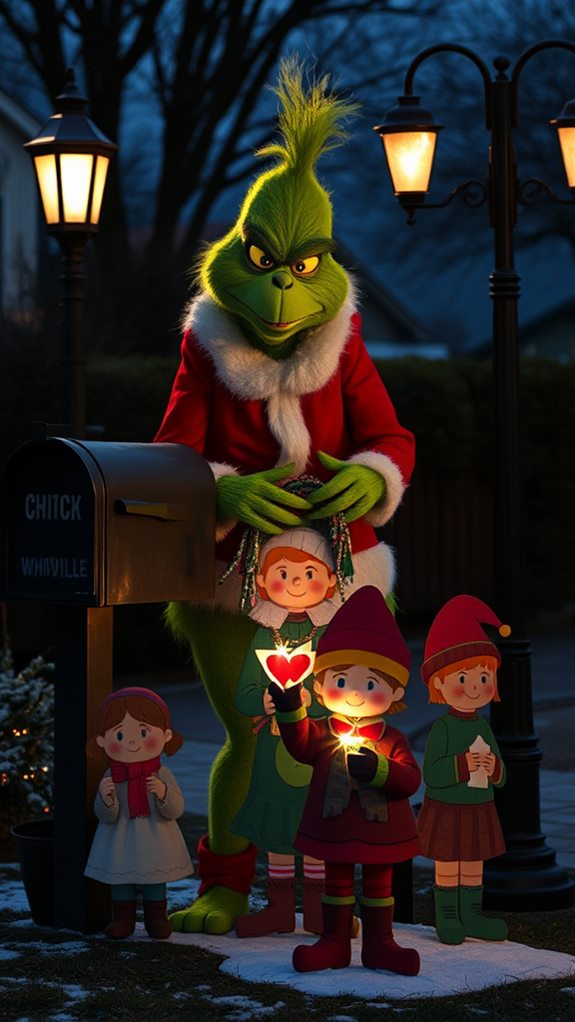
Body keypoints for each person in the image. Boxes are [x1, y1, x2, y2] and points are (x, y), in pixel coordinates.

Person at [154, 59, 415, 935]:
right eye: (265, 264)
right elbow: (171, 457)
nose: (279, 292)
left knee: (340, 735)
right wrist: (228, 494)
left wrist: (367, 475)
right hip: (233, 579)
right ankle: (228, 883)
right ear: (239, 253)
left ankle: (326, 886)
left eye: (301, 266)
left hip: (336, 574)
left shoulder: (344, 342)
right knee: (253, 729)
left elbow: (391, 438)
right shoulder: (207, 346)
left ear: (324, 265)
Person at [270, 586, 421, 974]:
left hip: (380, 829)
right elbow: (301, 747)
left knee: (379, 883)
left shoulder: (390, 739)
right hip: (334, 825)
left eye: (370, 684)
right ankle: (334, 942)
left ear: (395, 691)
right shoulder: (322, 731)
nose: (354, 693)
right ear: (319, 687)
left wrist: (381, 770)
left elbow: (409, 778)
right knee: (336, 879)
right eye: (341, 681)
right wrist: (290, 712)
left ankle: (380, 943)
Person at [232, 527, 339, 937]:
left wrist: (319, 698)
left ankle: (317, 910)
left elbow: (343, 684)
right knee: (278, 829)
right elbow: (243, 691)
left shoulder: (328, 634)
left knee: (313, 828)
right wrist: (263, 700)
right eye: (283, 572)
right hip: (272, 745)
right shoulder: (264, 633)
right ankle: (279, 908)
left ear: (330, 580)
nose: (295, 583)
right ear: (261, 581)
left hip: (317, 748)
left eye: (309, 573)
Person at [418, 594, 510, 945]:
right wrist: (462, 764)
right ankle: (448, 915)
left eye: (484, 675)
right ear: (438, 682)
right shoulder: (442, 728)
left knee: (473, 863)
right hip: (447, 808)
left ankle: (471, 914)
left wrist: (494, 768)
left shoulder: (483, 727)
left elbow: (504, 774)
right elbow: (432, 774)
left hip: (478, 807)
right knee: (450, 863)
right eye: (463, 676)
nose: (475, 686)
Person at [85, 686, 193, 940]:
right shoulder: (112, 776)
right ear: (103, 740)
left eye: (143, 732)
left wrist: (163, 793)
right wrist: (105, 797)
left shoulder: (161, 774)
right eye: (120, 735)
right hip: (120, 838)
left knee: (154, 878)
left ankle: (156, 917)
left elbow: (176, 809)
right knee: (121, 877)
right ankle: (123, 918)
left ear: (165, 735)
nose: (132, 742)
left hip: (155, 838)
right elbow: (105, 815)